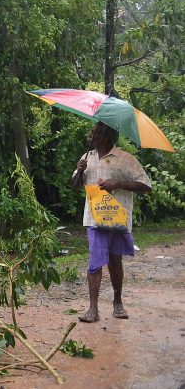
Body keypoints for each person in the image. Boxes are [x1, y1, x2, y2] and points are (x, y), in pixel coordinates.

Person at [71, 122, 151, 323]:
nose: (91, 133)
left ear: (106, 135)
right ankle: (93, 309)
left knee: (115, 260)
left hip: (117, 219)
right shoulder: (86, 158)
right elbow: (74, 186)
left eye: (95, 130)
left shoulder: (125, 159)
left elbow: (146, 185)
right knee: (95, 261)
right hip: (94, 219)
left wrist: (118, 183)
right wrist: (80, 171)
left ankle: (117, 302)